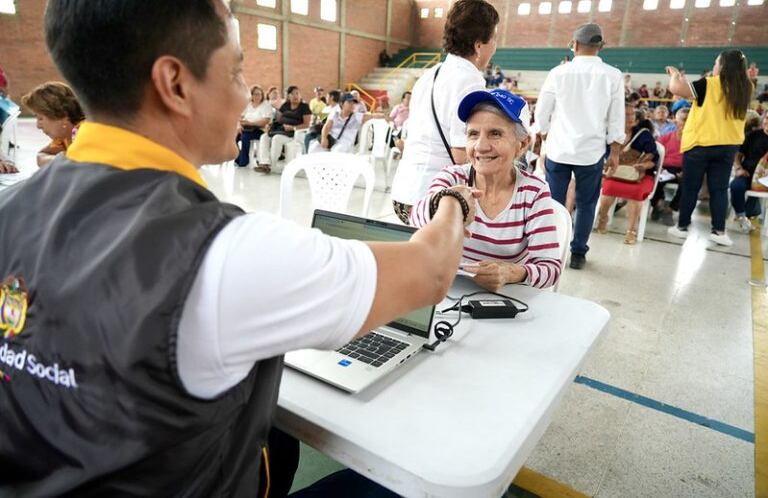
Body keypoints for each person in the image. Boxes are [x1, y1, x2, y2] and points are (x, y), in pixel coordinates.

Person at [0, 1, 477, 496]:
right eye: (237, 68)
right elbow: (431, 271)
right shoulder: (226, 252)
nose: (246, 93)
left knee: (274, 435)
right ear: (176, 83)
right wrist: (455, 199)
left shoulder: (12, 207)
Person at [410, 89, 561, 290]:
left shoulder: (533, 192)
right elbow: (416, 217)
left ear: (522, 144)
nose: (481, 146)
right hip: (449, 290)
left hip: (506, 298)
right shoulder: (453, 177)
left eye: (495, 134)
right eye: (473, 134)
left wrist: (511, 273)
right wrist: (449, 200)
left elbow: (550, 268)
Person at [390, 0, 499, 223]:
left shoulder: (431, 73)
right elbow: (463, 154)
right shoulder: (469, 80)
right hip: (433, 198)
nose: (496, 46)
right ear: (479, 45)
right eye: (494, 38)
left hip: (404, 192)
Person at [535, 23, 624, 269]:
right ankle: (578, 254)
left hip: (559, 149)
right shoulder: (613, 75)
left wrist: (542, 141)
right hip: (591, 152)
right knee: (586, 203)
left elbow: (542, 114)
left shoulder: (558, 73)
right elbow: (617, 118)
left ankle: (550, 251)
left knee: (554, 202)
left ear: (574, 45)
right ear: (600, 47)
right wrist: (615, 152)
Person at [666, 50, 752, 247]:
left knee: (690, 187)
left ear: (723, 65)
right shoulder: (746, 87)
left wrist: (674, 75)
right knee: (719, 189)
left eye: (716, 63)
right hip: (728, 145)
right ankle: (719, 231)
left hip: (701, 143)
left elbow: (676, 89)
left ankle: (682, 227)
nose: (714, 67)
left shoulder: (710, 83)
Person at [595, 106, 659, 244]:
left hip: (639, 175)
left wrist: (642, 166)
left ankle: (631, 230)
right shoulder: (609, 133)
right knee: (608, 187)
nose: (629, 118)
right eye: (626, 115)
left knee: (636, 192)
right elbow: (600, 154)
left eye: (632, 116)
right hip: (615, 173)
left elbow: (654, 159)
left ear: (636, 120)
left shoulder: (644, 135)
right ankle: (603, 218)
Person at [20, 81, 85, 167]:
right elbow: (41, 155)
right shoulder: (63, 137)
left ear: (62, 115)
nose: (38, 126)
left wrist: (59, 162)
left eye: (40, 118)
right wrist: (59, 161)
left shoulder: (84, 133)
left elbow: (80, 167)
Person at [255, 85, 311, 173]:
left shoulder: (304, 107)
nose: (296, 96)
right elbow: (278, 119)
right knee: (264, 137)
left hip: (293, 133)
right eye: (293, 94)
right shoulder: (285, 105)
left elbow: (307, 124)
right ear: (288, 96)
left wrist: (293, 127)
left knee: (276, 138)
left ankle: (272, 165)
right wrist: (270, 125)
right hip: (280, 130)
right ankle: (265, 163)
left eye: (297, 93)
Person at [650, 107, 689, 225]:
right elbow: (655, 156)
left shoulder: (693, 141)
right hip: (665, 168)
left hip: (684, 169)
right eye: (684, 120)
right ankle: (659, 204)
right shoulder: (665, 138)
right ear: (676, 122)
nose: (687, 123)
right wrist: (660, 167)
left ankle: (670, 209)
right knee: (655, 179)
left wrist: (686, 170)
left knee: (689, 183)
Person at [730, 113, 768, 231]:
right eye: (767, 118)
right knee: (736, 186)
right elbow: (738, 154)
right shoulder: (753, 135)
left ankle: (752, 210)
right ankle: (741, 215)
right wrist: (738, 168)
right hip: (748, 173)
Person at [235, 84, 272, 167]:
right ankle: (238, 159)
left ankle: (244, 161)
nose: (257, 96)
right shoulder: (248, 105)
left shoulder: (266, 105)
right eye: (255, 94)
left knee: (245, 137)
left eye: (259, 94)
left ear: (262, 95)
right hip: (245, 128)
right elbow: (239, 117)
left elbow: (265, 121)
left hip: (260, 130)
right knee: (234, 136)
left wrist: (250, 123)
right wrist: (238, 126)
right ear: (251, 95)